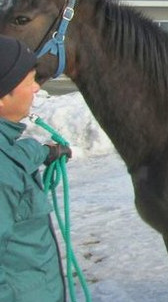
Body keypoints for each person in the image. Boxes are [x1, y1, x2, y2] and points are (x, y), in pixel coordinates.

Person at [0, 35, 72, 302]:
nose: (35, 89)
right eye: (28, 81)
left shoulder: (8, 152)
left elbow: (13, 156)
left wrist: (43, 151)